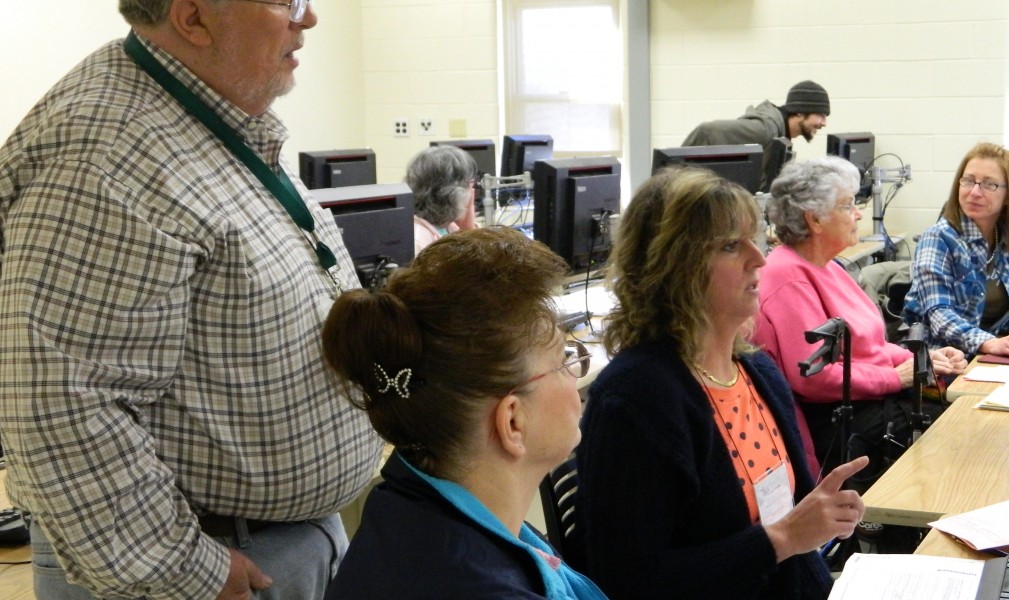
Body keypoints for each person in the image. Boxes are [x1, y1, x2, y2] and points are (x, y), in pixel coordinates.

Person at [0, 1, 383, 598]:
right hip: (204, 564)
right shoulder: (109, 158)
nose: (308, 20)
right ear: (193, 18)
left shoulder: (201, 121)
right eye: (287, 0)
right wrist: (185, 572)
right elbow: (59, 408)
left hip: (269, 540)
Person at [576, 165, 868, 600]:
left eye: (754, 237)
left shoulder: (756, 372)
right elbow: (627, 582)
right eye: (732, 246)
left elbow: (795, 534)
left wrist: (820, 523)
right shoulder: (634, 401)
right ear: (674, 267)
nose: (761, 258)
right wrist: (782, 539)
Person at [320, 227, 605, 600]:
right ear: (513, 422)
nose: (574, 375)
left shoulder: (403, 511)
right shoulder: (478, 583)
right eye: (563, 360)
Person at [753, 157, 968, 481]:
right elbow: (814, 377)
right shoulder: (788, 275)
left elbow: (871, 347)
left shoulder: (828, 266)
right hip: (833, 419)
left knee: (958, 403)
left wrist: (922, 358)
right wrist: (897, 378)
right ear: (815, 219)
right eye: (848, 205)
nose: (858, 213)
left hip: (865, 398)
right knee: (953, 432)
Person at [903, 143, 1009, 358]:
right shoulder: (939, 238)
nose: (975, 192)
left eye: (989, 185)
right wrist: (988, 342)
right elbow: (938, 314)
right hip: (942, 360)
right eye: (968, 181)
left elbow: (1007, 316)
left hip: (987, 355)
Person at [682, 80, 831, 191]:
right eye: (821, 115)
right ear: (800, 111)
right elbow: (708, 131)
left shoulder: (781, 133)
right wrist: (674, 174)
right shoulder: (764, 129)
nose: (824, 123)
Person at [406, 145, 479, 254]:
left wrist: (468, 229)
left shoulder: (449, 225)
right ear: (454, 194)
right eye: (469, 185)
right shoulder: (418, 241)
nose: (472, 192)